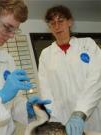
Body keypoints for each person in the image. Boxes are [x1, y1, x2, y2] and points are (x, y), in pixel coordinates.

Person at [0, 0, 51, 134]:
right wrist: (0, 96)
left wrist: (26, 109)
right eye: (7, 27)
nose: (11, 35)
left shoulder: (8, 59)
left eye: (15, 30)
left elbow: (11, 103)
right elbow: (2, 98)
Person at [38, 5, 101, 135]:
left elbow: (96, 79)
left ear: (69, 22)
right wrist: (54, 121)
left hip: (92, 116)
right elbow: (46, 90)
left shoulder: (87, 45)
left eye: (60, 21)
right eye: (52, 23)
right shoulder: (46, 54)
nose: (57, 26)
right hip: (63, 120)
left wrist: (80, 113)